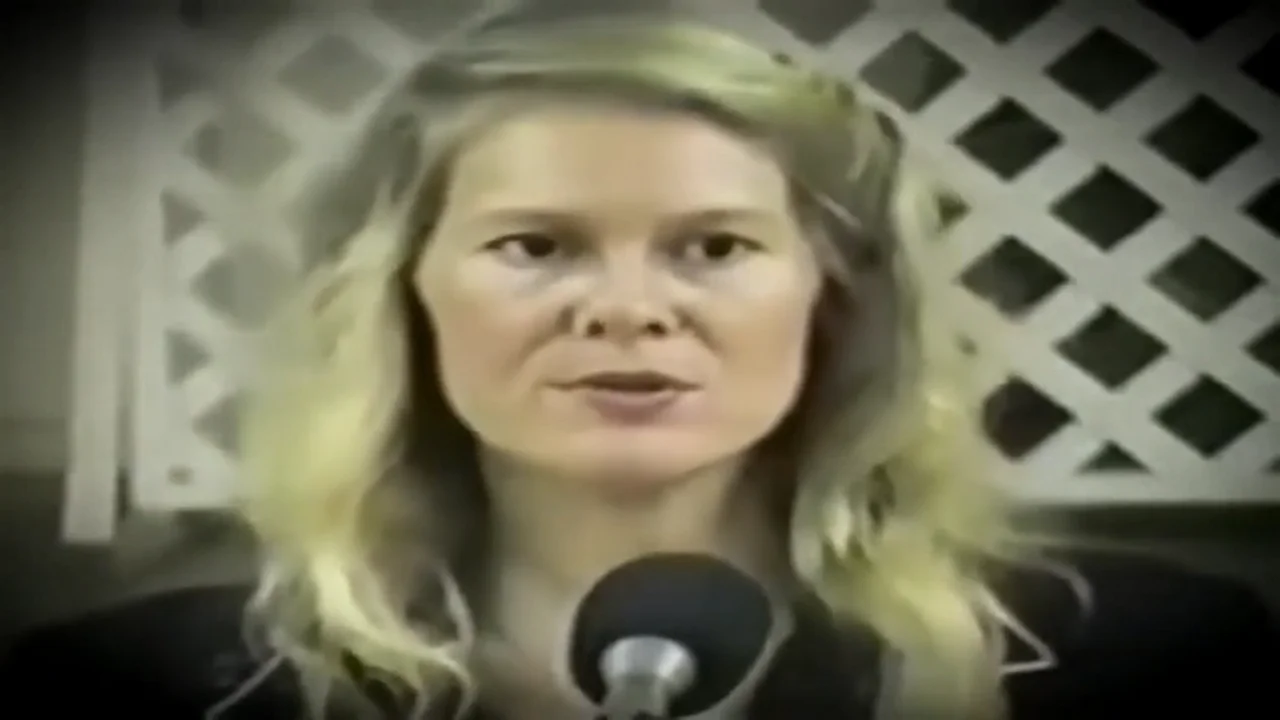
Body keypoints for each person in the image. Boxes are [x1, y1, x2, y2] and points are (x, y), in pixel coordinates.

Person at [2, 16, 1277, 720]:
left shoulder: (1149, 662)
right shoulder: (134, 687)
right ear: (400, 291)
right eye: (535, 246)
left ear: (831, 297)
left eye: (713, 247)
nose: (626, 312)